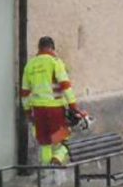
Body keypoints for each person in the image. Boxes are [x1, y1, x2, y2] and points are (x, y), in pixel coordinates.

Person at [20, 36, 86, 167]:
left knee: (45, 142)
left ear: (39, 48)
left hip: (38, 110)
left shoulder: (30, 65)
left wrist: (28, 111)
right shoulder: (55, 62)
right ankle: (57, 158)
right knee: (64, 138)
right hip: (55, 109)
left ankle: (46, 174)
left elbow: (24, 92)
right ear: (52, 48)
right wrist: (73, 106)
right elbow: (65, 86)